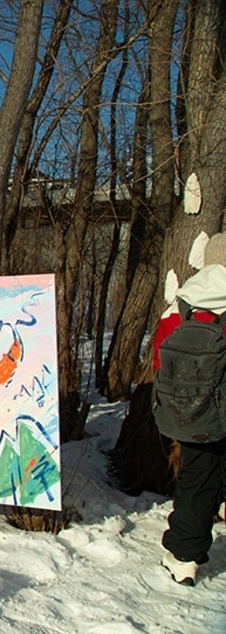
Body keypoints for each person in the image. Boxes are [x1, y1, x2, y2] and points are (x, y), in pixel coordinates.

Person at [155, 232, 226, 586]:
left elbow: (159, 355)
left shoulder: (184, 301)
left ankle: (184, 556)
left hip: (195, 409)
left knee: (197, 479)